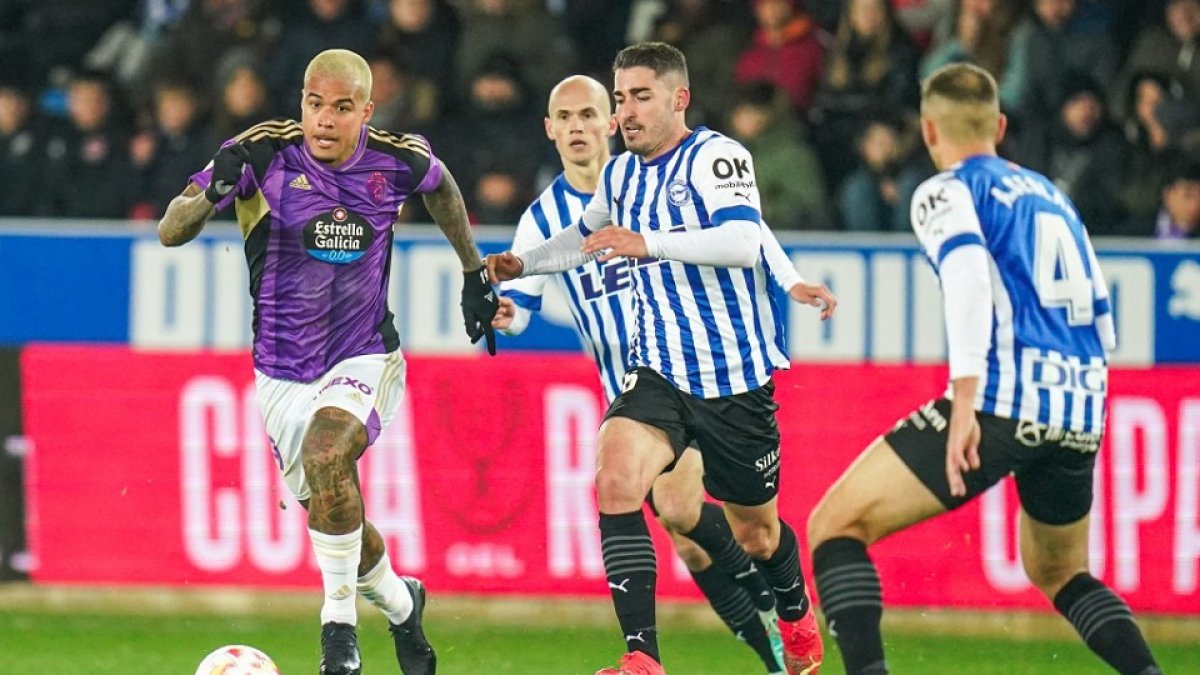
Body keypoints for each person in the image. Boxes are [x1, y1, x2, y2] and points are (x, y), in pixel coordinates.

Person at [806, 63, 1162, 675]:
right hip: (1079, 400)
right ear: (998, 126)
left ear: (928, 131)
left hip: (1001, 397)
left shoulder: (945, 190)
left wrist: (965, 399)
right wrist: (1081, 399)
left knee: (835, 526)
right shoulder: (1052, 194)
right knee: (1060, 570)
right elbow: (1102, 316)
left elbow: (968, 277)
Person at [485, 42, 827, 675]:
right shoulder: (620, 177)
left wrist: (651, 243)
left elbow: (741, 237)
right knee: (615, 480)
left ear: (679, 98)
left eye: (639, 97)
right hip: (657, 371)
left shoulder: (717, 156)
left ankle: (793, 607)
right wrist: (522, 264)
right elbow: (587, 240)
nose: (626, 112)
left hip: (732, 380)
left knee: (758, 533)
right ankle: (642, 657)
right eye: (621, 98)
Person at [157, 48, 500, 675]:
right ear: (302, 105)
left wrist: (473, 270)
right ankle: (402, 604)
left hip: (366, 353)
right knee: (334, 507)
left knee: (326, 456)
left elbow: (443, 187)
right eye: (315, 104)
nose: (324, 120)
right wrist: (208, 197)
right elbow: (170, 230)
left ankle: (338, 635)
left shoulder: (397, 160)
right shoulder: (259, 152)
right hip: (281, 372)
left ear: (366, 112)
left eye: (342, 108)